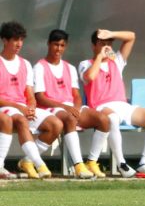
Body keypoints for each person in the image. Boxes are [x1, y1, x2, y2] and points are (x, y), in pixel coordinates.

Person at [79, 29, 145, 178]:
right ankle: (122, 164)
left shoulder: (116, 61)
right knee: (112, 119)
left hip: (123, 105)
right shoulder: (86, 64)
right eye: (102, 44)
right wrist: (99, 56)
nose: (106, 47)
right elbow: (90, 77)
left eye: (109, 44)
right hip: (101, 107)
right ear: (94, 46)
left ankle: (144, 163)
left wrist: (111, 34)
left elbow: (131, 36)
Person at [34, 29, 111, 179]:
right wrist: (66, 108)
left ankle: (92, 162)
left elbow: (76, 94)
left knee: (103, 119)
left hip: (69, 107)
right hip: (51, 109)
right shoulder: (40, 66)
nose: (58, 49)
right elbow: (40, 98)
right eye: (56, 45)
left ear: (66, 47)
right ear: (48, 44)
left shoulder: (69, 67)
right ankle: (78, 166)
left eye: (62, 45)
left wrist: (75, 107)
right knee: (69, 118)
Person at [0, 21, 58, 179]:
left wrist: (31, 107)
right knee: (20, 119)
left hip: (21, 108)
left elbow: (30, 94)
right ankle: (39, 164)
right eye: (15, 40)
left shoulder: (25, 64)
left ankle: (27, 162)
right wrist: (20, 108)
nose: (19, 44)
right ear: (5, 40)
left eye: (21, 40)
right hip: (5, 108)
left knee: (55, 124)